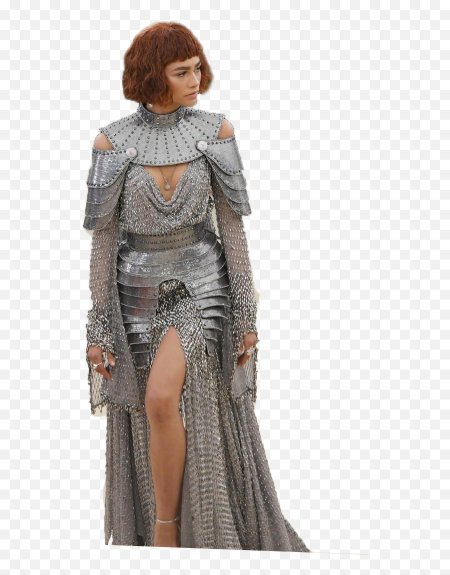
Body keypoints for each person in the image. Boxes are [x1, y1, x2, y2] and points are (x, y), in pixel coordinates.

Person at [83, 21, 310, 551]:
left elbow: (232, 230)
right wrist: (98, 328)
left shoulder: (216, 131)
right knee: (151, 407)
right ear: (151, 75)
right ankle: (163, 529)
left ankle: (168, 533)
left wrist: (247, 315)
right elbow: (103, 244)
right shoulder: (112, 141)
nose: (196, 80)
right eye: (181, 71)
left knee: (163, 398)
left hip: (203, 285)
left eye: (197, 68)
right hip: (135, 292)